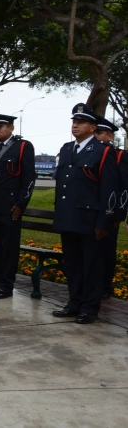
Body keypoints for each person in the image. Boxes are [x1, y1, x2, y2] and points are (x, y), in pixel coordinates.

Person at [53, 104, 117, 324]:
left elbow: (109, 190)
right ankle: (75, 302)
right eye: (74, 122)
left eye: (81, 122)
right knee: (72, 265)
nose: (75, 125)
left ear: (92, 127)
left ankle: (90, 307)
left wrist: (104, 221)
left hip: (90, 220)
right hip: (69, 217)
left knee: (91, 266)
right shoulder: (68, 148)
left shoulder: (103, 152)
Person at [0, 112, 36, 299]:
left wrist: (21, 204)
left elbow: (29, 179)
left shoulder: (22, 147)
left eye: (0, 127)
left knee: (8, 248)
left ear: (11, 128)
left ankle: (6, 285)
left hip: (10, 208)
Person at [94, 116, 125, 299]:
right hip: (92, 211)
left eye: (100, 133)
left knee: (106, 251)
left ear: (110, 136)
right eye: (95, 132)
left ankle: (105, 286)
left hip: (110, 213)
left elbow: (122, 187)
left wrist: (117, 215)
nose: (97, 136)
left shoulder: (119, 155)